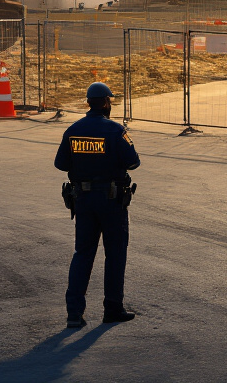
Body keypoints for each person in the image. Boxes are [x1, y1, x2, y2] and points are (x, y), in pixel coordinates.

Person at [54, 81, 140, 330]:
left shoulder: (73, 130)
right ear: (105, 103)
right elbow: (133, 163)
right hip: (111, 201)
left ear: (88, 103)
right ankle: (112, 309)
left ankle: (74, 313)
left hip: (83, 200)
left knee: (82, 254)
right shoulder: (115, 130)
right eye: (109, 100)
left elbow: (61, 164)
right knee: (115, 254)